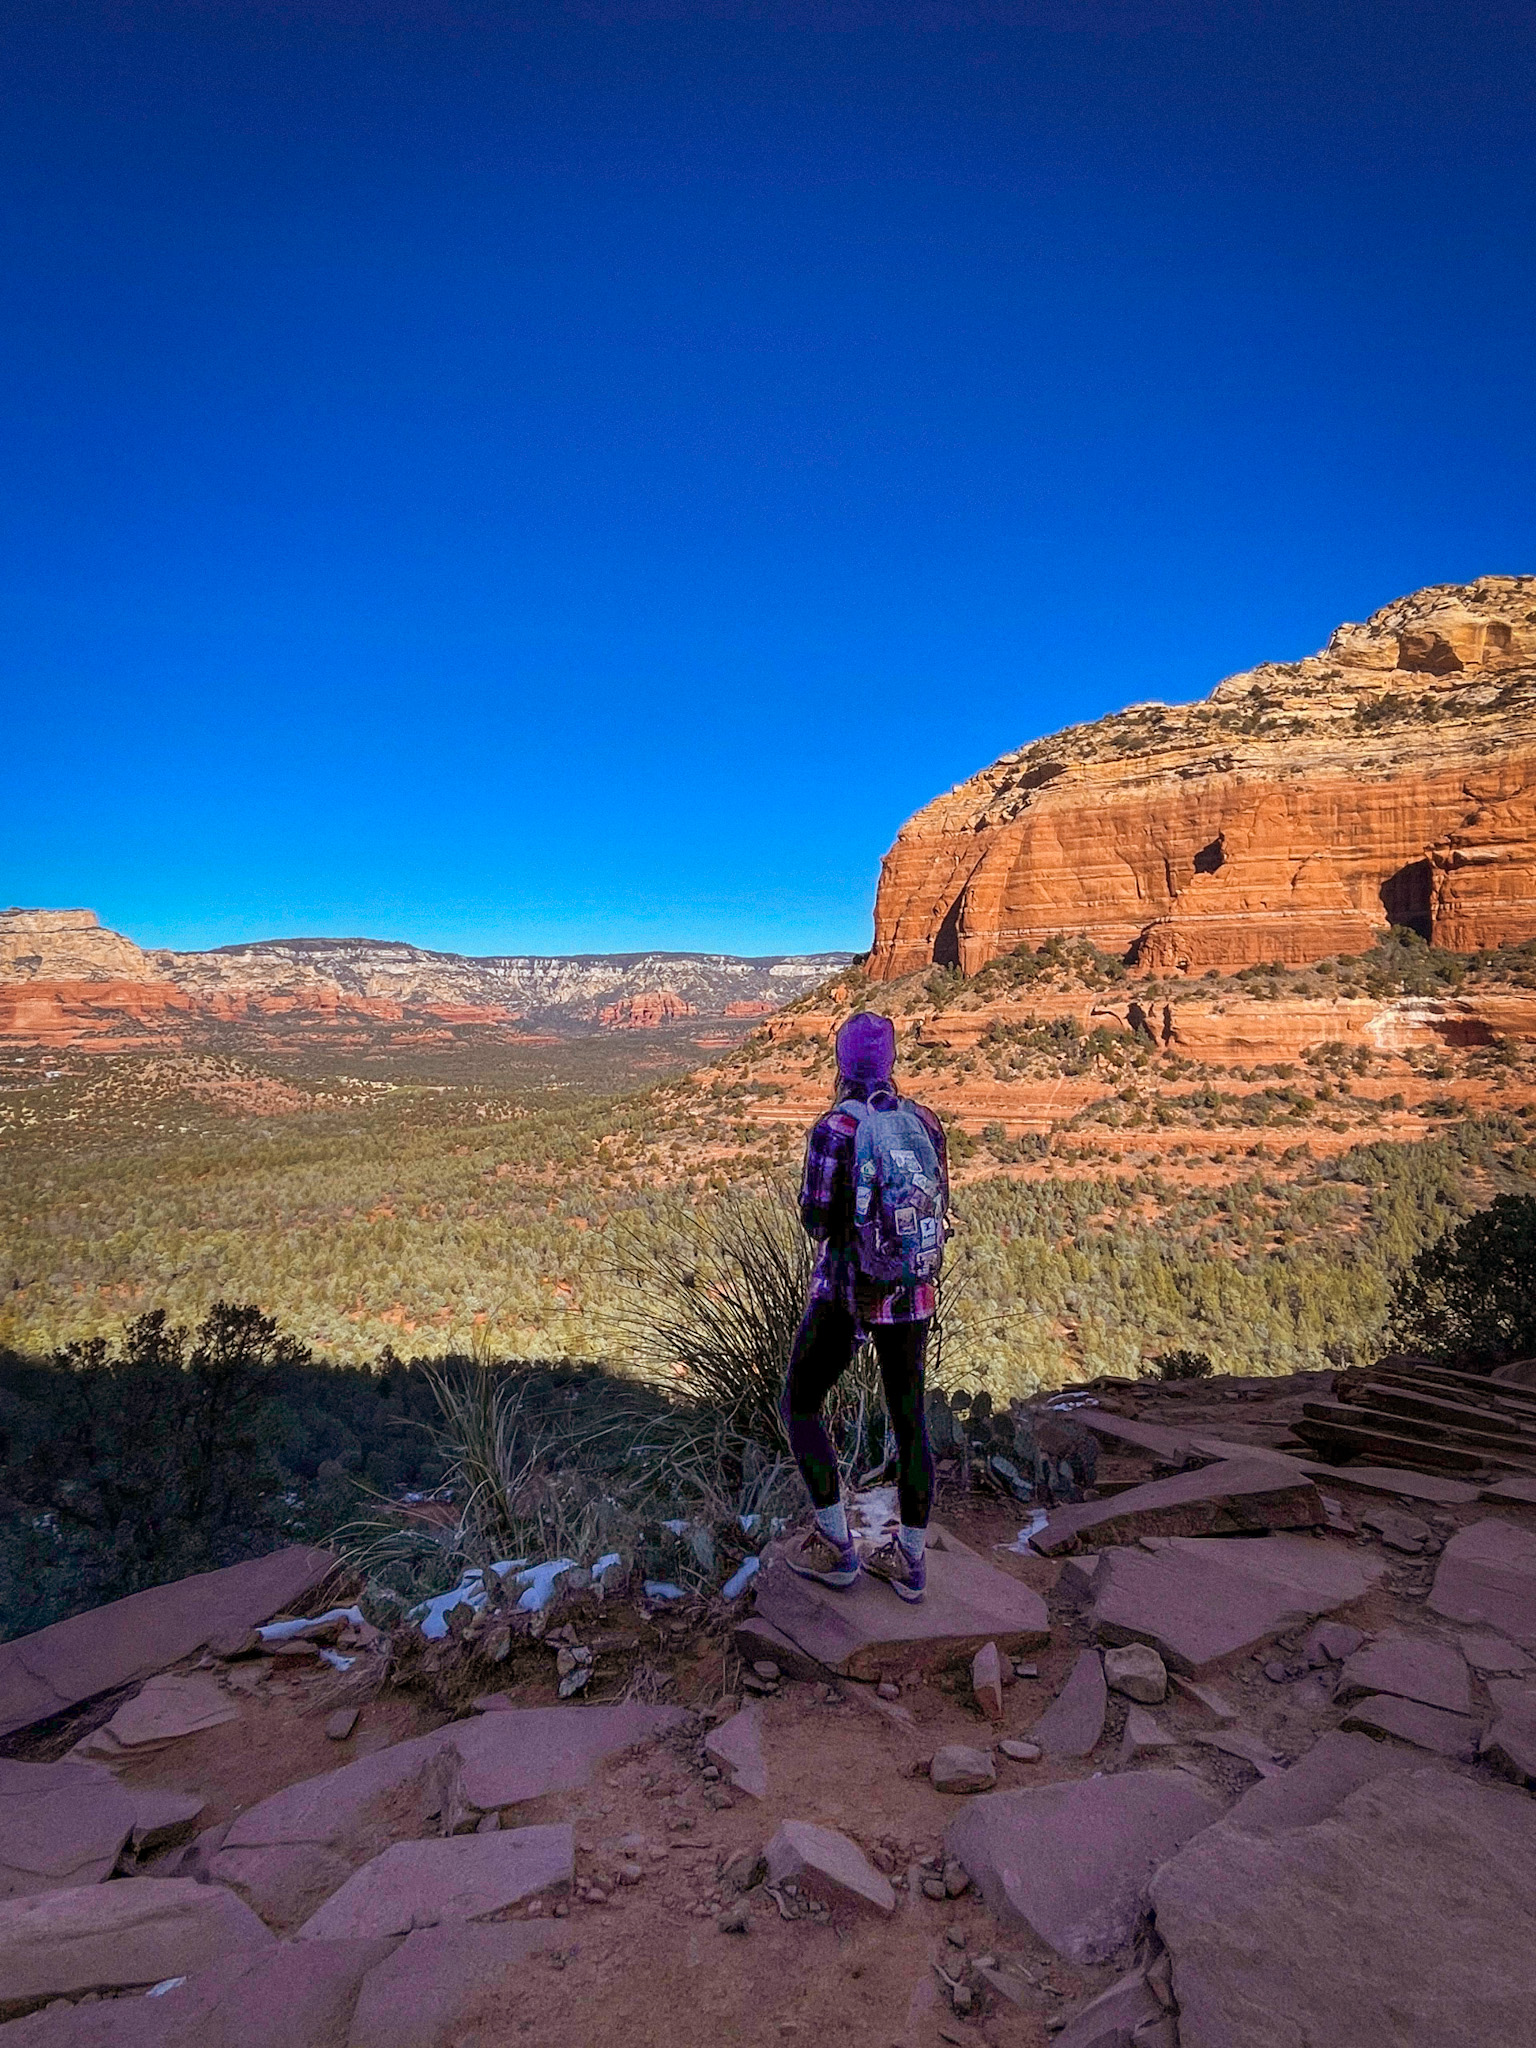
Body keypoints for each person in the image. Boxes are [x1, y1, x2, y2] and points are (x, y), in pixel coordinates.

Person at [780, 1010, 947, 1603]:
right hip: (912, 1292)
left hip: (848, 1293)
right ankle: (910, 1561)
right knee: (911, 1424)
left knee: (799, 1405)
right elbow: (936, 1204)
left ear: (843, 1063)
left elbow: (816, 1220)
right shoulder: (924, 1121)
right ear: (891, 1061)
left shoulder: (835, 1129)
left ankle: (837, 1544)